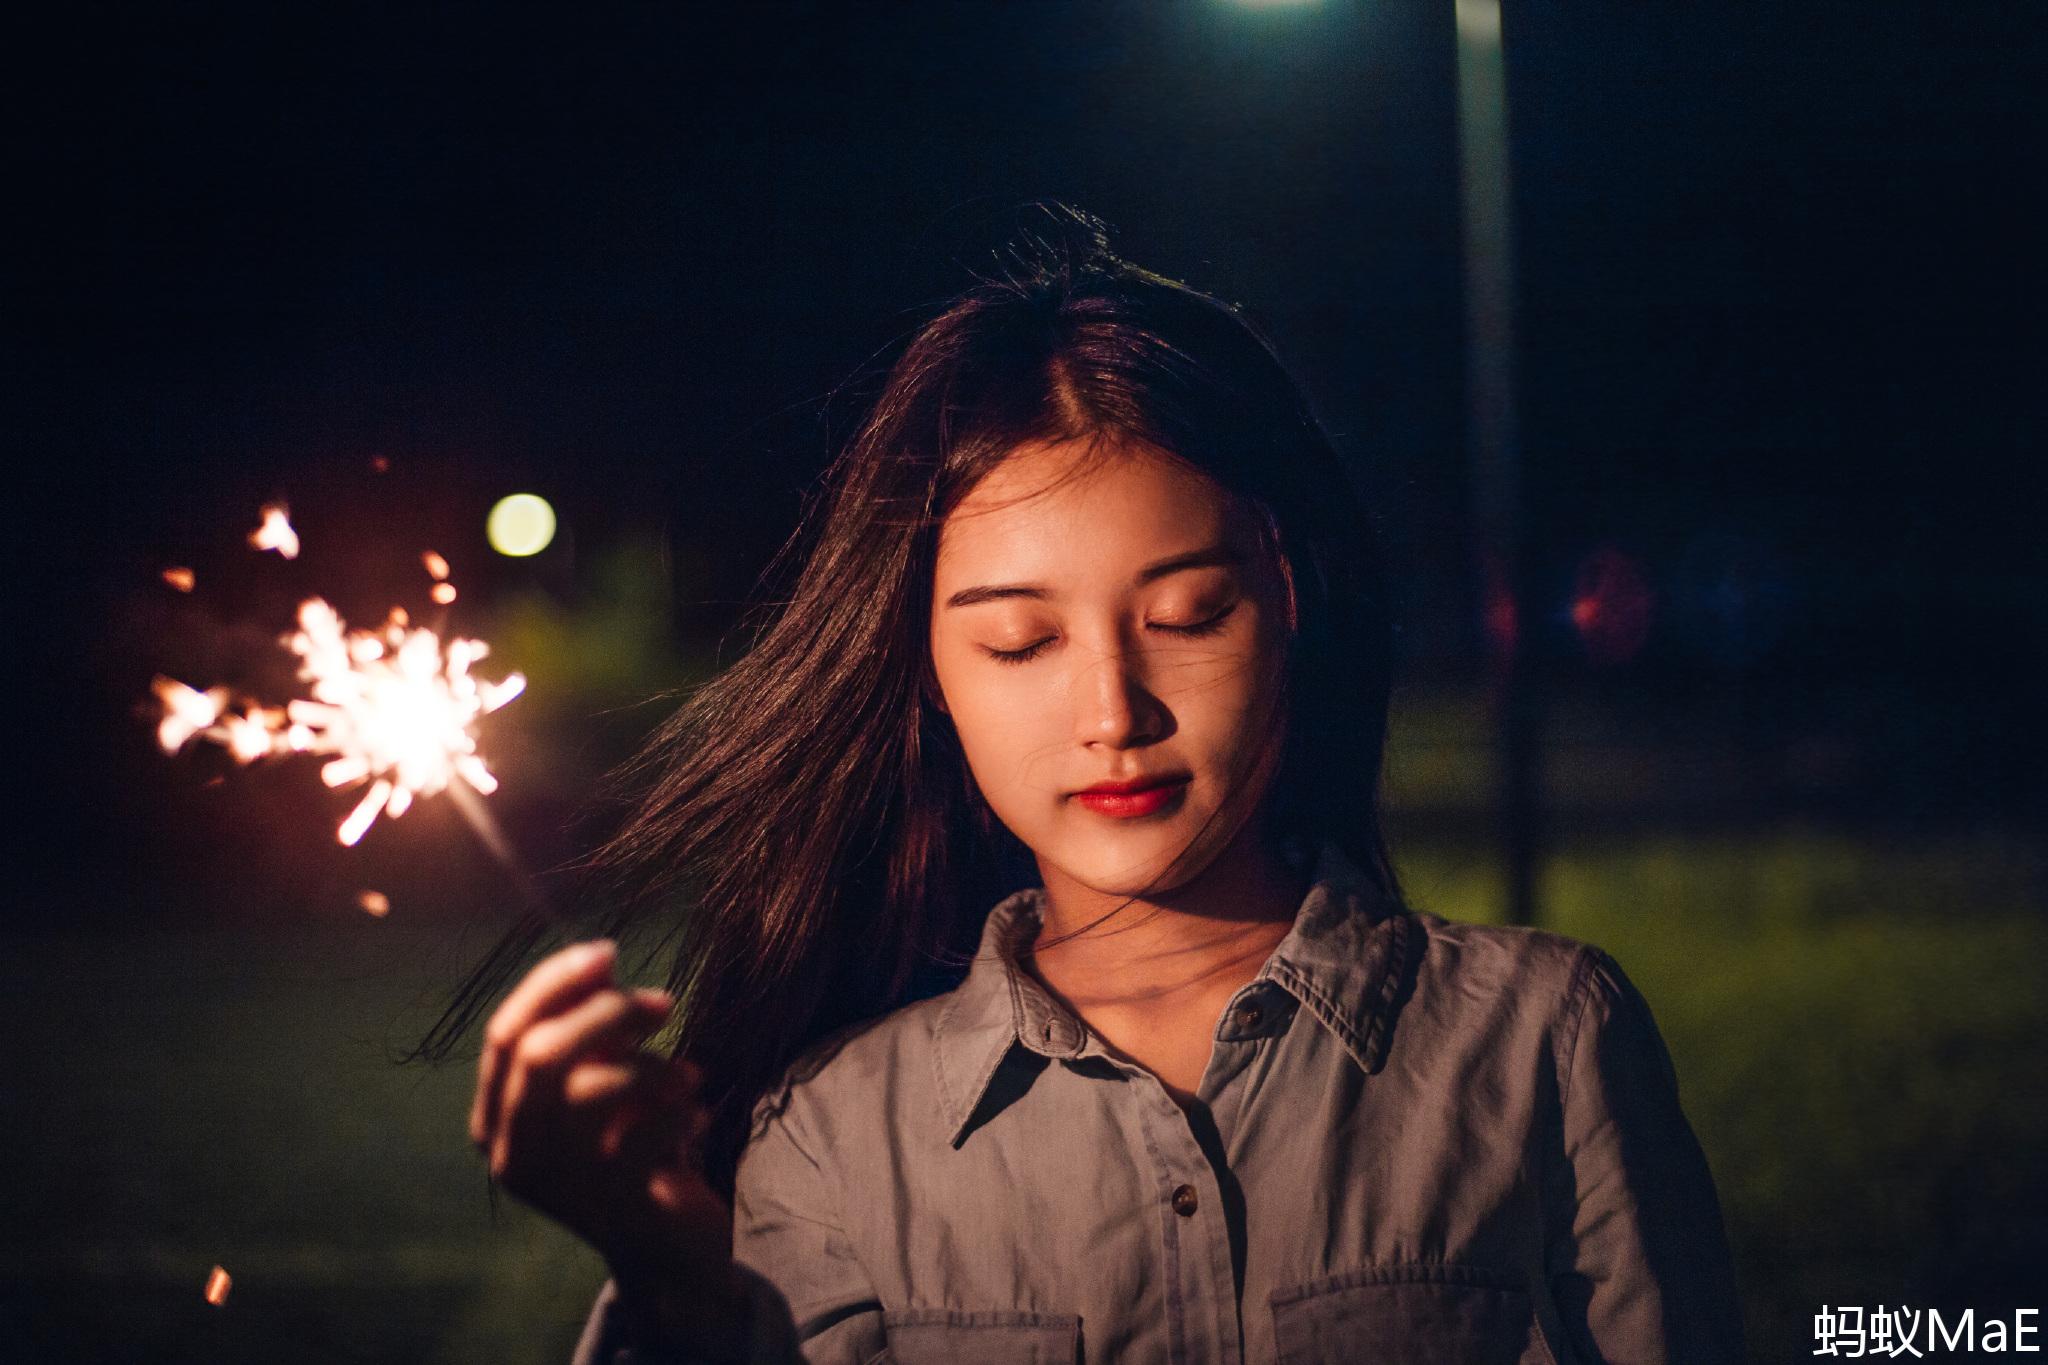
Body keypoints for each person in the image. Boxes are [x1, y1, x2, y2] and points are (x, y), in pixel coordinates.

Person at [448, 203, 1747, 1364]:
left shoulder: (1539, 1044)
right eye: (1020, 641)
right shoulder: (838, 1132)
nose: (1114, 711)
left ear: (1290, 600)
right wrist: (673, 1292)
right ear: (933, 673)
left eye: (1186, 614)